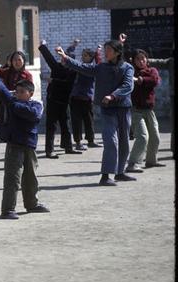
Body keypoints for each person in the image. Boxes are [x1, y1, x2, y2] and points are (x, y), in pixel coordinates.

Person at [56, 39, 135, 186]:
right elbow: (82, 67)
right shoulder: (101, 68)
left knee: (124, 141)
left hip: (123, 108)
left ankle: (120, 172)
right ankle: (105, 176)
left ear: (117, 52)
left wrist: (113, 95)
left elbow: (128, 85)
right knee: (111, 141)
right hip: (107, 110)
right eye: (105, 50)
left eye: (109, 50)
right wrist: (66, 58)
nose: (106, 53)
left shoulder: (127, 68)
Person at [0, 73, 49, 219]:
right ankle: (8, 209)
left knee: (31, 177)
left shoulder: (36, 105)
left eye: (22, 92)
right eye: (17, 91)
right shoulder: (12, 102)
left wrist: (14, 105)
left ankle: (32, 204)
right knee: (12, 178)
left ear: (31, 93)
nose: (18, 94)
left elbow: (33, 115)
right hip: (14, 145)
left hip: (30, 146)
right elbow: (2, 91)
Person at [38, 40, 82, 159]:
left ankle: (68, 147)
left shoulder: (73, 72)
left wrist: (53, 81)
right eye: (63, 59)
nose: (63, 61)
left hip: (65, 101)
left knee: (66, 125)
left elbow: (68, 84)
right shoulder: (56, 67)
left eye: (66, 60)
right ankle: (49, 150)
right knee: (51, 126)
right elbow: (49, 58)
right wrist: (43, 46)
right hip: (53, 100)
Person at [126, 49, 165, 172]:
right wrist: (136, 79)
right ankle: (132, 163)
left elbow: (155, 80)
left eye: (143, 58)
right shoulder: (131, 72)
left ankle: (151, 161)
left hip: (149, 110)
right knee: (143, 137)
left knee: (155, 137)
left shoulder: (152, 71)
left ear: (147, 59)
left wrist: (140, 80)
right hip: (136, 110)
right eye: (138, 59)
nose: (141, 61)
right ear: (134, 61)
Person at [0, 48, 33, 144]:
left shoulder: (27, 75)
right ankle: (4, 136)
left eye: (19, 60)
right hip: (6, 100)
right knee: (3, 118)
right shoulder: (7, 71)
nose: (17, 62)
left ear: (23, 61)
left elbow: (30, 89)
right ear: (11, 61)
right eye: (14, 60)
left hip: (20, 102)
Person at [68, 46, 102, 150]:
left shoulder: (93, 68)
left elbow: (99, 64)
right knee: (76, 121)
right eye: (83, 56)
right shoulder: (79, 66)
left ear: (91, 57)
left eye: (86, 56)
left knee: (89, 120)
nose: (83, 57)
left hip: (87, 98)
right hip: (76, 97)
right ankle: (78, 142)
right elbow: (70, 57)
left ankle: (90, 140)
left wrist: (98, 52)